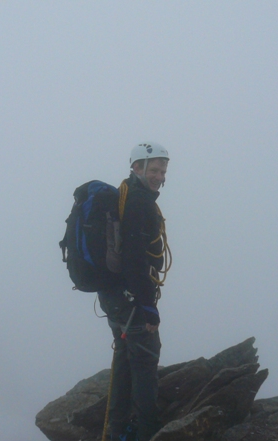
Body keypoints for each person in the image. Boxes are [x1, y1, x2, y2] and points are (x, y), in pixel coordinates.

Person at [98, 142, 170, 441]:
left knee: (125, 359)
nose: (160, 176)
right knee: (144, 362)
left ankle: (117, 431)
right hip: (131, 300)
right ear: (137, 167)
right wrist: (148, 305)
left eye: (163, 171)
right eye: (154, 169)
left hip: (114, 297)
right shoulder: (139, 201)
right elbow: (135, 259)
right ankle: (146, 432)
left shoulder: (124, 193)